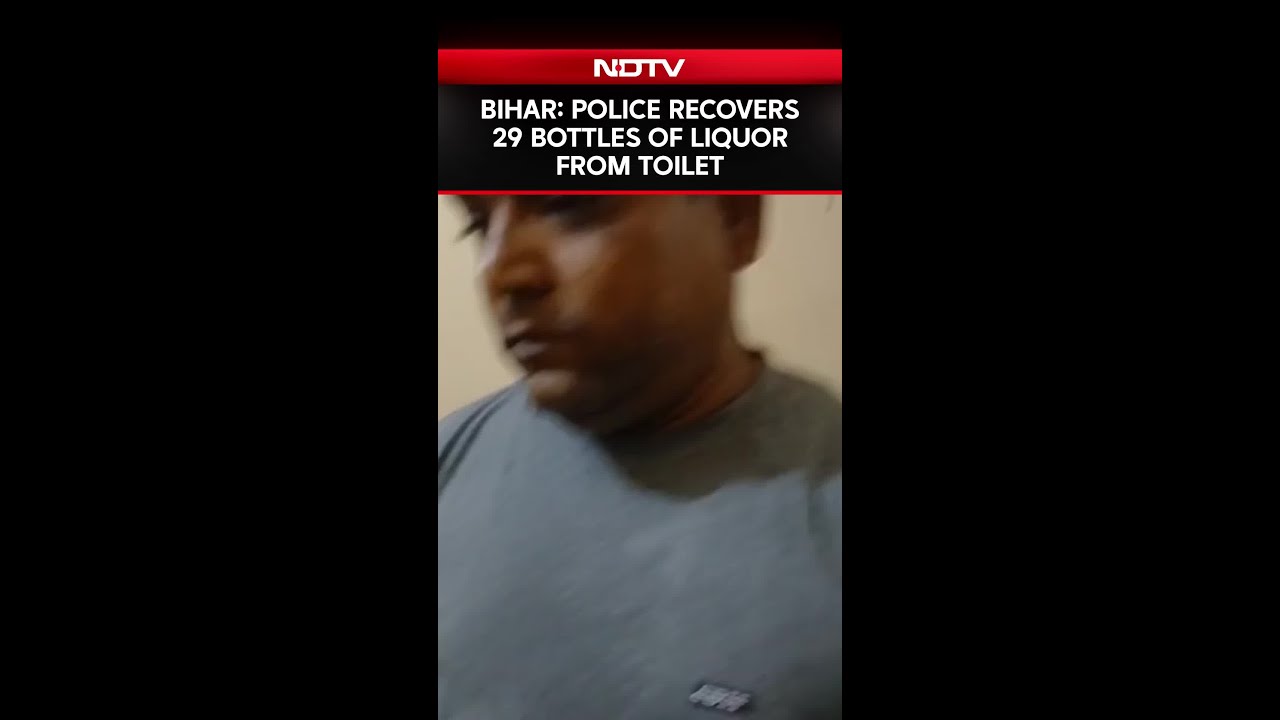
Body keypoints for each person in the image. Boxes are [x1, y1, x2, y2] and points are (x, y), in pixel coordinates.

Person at [438, 195, 842, 719]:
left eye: (570, 209)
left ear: (735, 219)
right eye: (479, 226)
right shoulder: (452, 457)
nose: (505, 274)